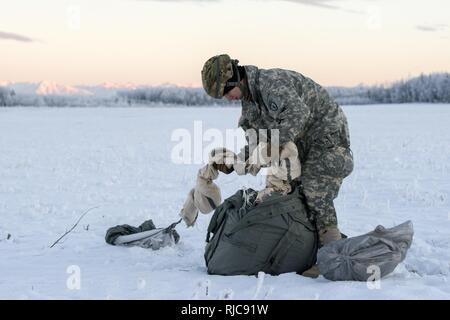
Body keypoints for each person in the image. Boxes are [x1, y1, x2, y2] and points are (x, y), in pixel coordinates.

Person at [201, 54, 354, 277]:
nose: (227, 99)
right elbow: (255, 144)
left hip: (327, 141)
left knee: (313, 188)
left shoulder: (272, 83)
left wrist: (273, 145)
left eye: (225, 92)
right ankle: (307, 246)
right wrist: (234, 162)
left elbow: (298, 114)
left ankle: (330, 256)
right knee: (287, 193)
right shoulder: (250, 107)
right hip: (299, 145)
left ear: (235, 79)